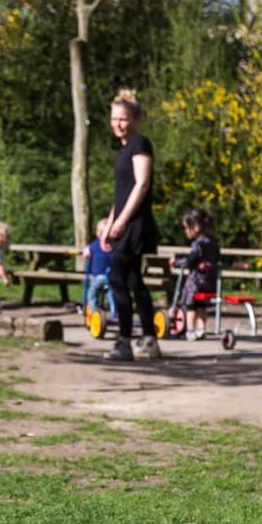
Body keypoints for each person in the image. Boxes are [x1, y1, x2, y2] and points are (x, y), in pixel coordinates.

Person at [99, 90, 161, 362]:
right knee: (133, 281)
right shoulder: (124, 149)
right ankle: (148, 338)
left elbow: (141, 185)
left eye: (123, 119)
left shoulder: (140, 144)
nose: (118, 124)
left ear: (134, 119)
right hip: (123, 223)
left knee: (118, 279)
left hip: (135, 225)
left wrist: (123, 222)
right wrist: (108, 226)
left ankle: (124, 341)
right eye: (114, 119)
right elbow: (121, 194)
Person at [173, 208, 221, 341]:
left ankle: (191, 330)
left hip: (196, 280)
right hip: (209, 280)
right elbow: (216, 259)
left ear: (196, 227)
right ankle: (201, 329)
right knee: (202, 305)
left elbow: (190, 260)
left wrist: (176, 262)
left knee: (191, 305)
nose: (185, 231)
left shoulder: (197, 244)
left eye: (187, 228)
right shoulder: (213, 242)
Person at [81, 219, 114, 324]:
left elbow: (86, 253)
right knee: (112, 296)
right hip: (111, 278)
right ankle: (115, 314)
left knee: (91, 295)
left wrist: (85, 253)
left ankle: (95, 313)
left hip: (97, 278)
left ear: (98, 233)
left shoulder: (95, 245)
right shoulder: (115, 246)